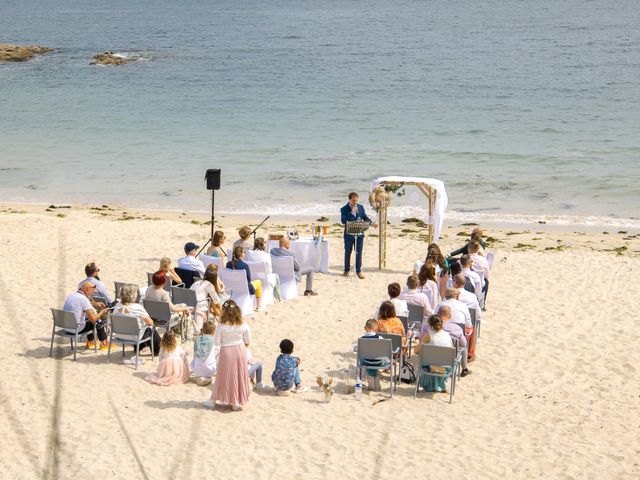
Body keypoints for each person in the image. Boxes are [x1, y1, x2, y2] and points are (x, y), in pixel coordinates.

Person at [203, 300, 251, 411]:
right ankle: (235, 402)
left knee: (223, 376)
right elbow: (248, 340)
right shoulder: (243, 323)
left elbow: (217, 342)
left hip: (227, 350)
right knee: (239, 375)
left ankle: (213, 400)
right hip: (240, 349)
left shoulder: (221, 325)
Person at [112, 283, 161, 365]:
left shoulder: (117, 305)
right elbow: (150, 322)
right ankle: (157, 350)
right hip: (134, 336)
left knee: (140, 327)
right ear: (131, 295)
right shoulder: (137, 307)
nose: (137, 294)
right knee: (151, 328)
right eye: (136, 292)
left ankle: (139, 347)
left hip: (120, 335)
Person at [62, 281, 110, 350]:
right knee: (97, 321)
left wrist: (95, 304)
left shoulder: (71, 295)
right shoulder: (84, 299)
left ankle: (91, 342)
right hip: (76, 329)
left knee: (88, 319)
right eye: (92, 292)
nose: (92, 294)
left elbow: (81, 303)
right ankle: (103, 344)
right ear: (87, 289)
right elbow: (94, 319)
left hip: (66, 327)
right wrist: (102, 313)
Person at [340, 192, 377, 279]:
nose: (355, 203)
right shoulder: (344, 209)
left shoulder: (360, 207)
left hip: (359, 234)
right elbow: (343, 221)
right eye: (353, 201)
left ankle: (358, 271)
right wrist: (351, 212)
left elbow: (365, 218)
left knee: (359, 253)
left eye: (356, 200)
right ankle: (346, 270)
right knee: (348, 252)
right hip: (348, 235)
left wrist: (371, 224)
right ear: (349, 200)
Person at [145, 270, 193, 337]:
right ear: (164, 281)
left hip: (152, 317)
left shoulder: (149, 289)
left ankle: (180, 331)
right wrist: (185, 309)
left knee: (183, 306)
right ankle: (187, 334)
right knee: (184, 308)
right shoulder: (164, 294)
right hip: (164, 320)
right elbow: (173, 309)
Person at [416, 315, 454, 392]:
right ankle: (440, 385)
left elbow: (416, 350)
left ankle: (430, 385)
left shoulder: (428, 334)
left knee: (422, 357)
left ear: (429, 324)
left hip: (429, 366)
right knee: (437, 359)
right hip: (445, 367)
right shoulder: (447, 335)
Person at [430, 305, 470, 376]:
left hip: (431, 358)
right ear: (450, 316)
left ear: (437, 314)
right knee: (463, 348)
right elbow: (464, 344)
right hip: (449, 359)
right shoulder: (456, 328)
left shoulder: (429, 327)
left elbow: (422, 339)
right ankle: (464, 369)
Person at [226, 246, 263, 310]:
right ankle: (258, 305)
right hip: (245, 288)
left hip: (233, 287)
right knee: (258, 282)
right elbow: (249, 280)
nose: (245, 253)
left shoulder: (228, 264)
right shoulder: (245, 266)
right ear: (241, 254)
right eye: (244, 252)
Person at [246, 237, 281, 301]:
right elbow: (269, 271)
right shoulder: (266, 255)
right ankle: (278, 297)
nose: (265, 244)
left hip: (252, 277)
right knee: (276, 276)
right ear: (262, 244)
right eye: (265, 243)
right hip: (265, 278)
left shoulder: (249, 253)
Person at [191, 321, 218, 386]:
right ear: (213, 332)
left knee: (196, 356)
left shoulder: (197, 339)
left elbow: (195, 353)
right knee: (218, 354)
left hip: (196, 369)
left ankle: (202, 376)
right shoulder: (214, 340)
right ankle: (207, 378)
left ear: (202, 330)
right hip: (210, 370)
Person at [360, 318, 383, 391]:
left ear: (364, 328)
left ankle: (371, 386)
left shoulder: (361, 339)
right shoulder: (379, 338)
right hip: (378, 362)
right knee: (375, 371)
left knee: (369, 371)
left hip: (366, 361)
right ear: (376, 328)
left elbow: (358, 350)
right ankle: (377, 384)